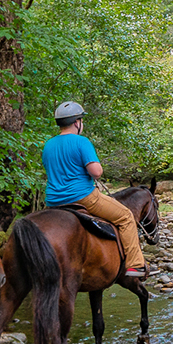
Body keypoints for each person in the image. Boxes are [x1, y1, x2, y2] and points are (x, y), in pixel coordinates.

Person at [43, 101, 146, 278]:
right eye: (81, 120)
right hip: (82, 197)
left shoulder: (48, 145)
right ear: (77, 122)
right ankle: (136, 265)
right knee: (126, 217)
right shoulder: (82, 142)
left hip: (53, 201)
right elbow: (96, 172)